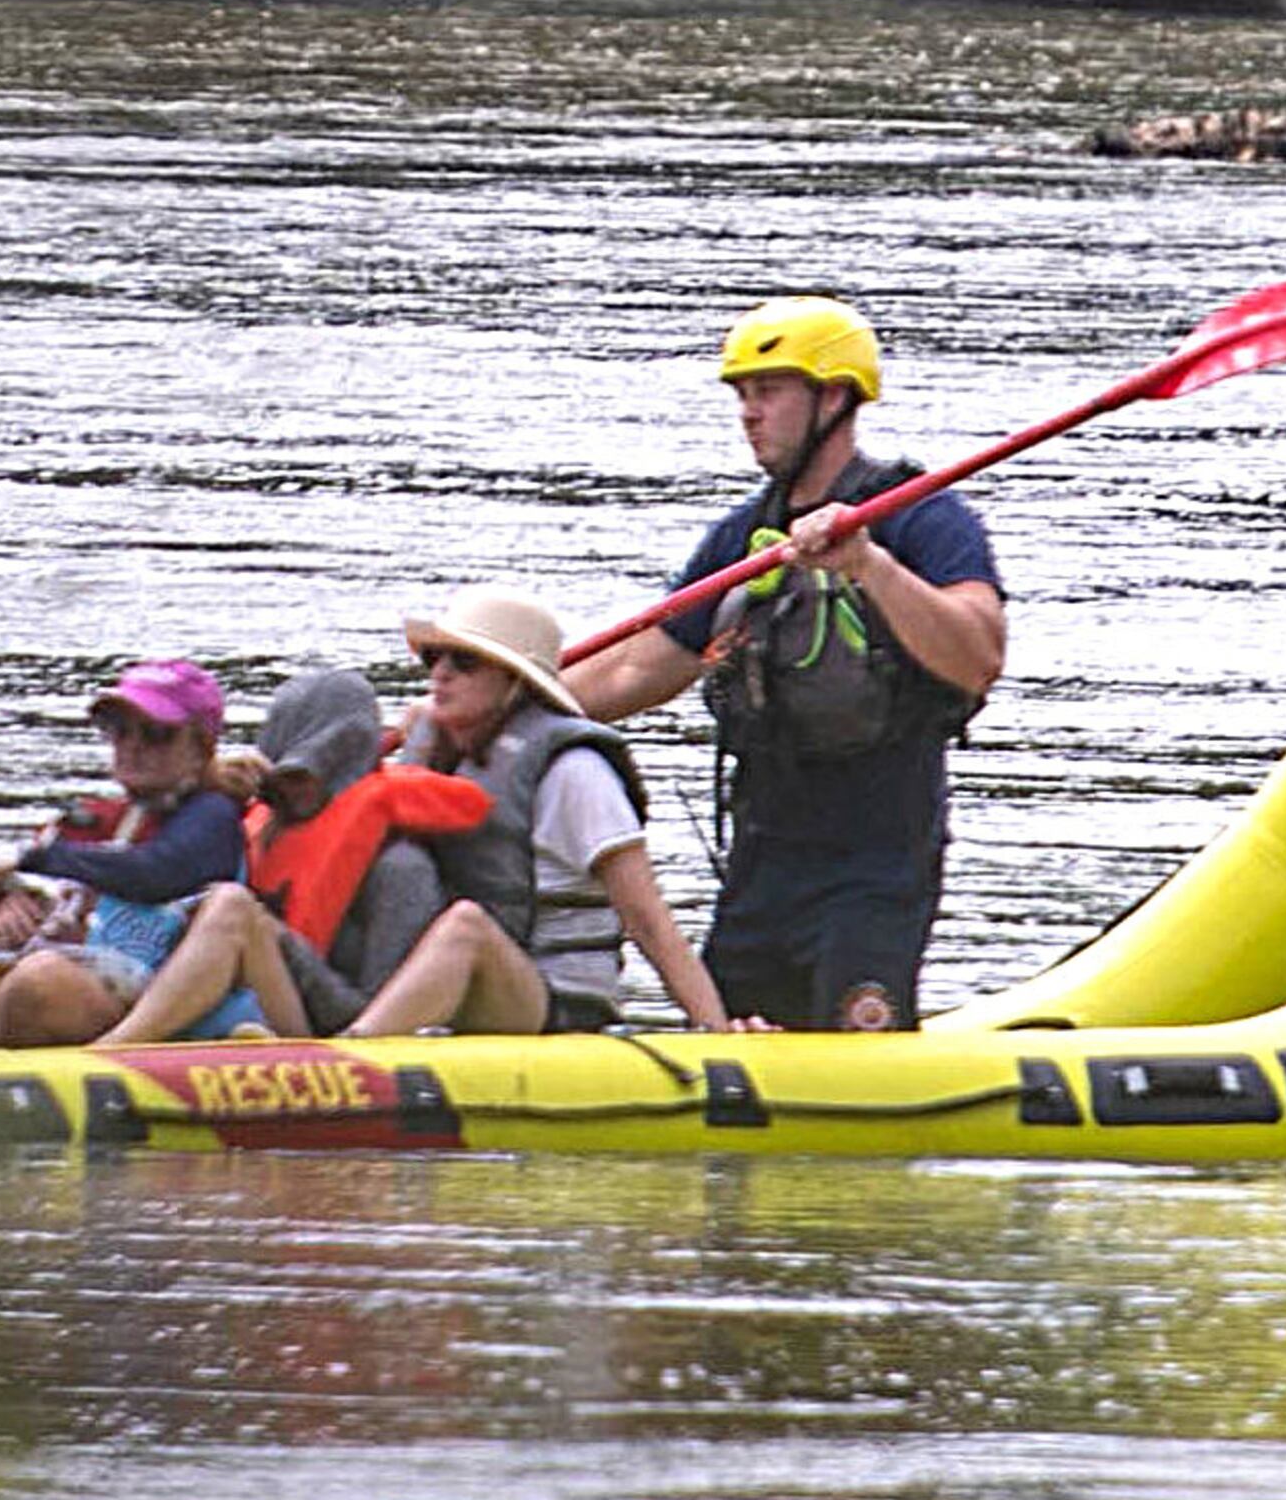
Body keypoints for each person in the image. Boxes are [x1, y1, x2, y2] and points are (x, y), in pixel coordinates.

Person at [566, 295, 1005, 1032]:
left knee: (857, 1039)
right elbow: (630, 671)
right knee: (729, 1047)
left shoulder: (922, 517)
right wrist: (498, 699)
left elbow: (978, 657)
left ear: (834, 398)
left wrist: (869, 564)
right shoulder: (744, 537)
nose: (748, 413)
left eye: (768, 392)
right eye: (741, 394)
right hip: (763, 860)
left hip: (876, 864)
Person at [334, 587, 734, 1037]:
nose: (441, 675)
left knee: (466, 926)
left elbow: (647, 919)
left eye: (464, 663)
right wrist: (421, 748)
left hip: (556, 998)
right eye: (434, 659)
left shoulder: (574, 771)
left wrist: (714, 1029)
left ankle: (351, 1054)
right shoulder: (442, 756)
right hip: (464, 986)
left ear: (514, 681)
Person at [0, 660, 259, 1047]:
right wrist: (1, 912)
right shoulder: (95, 819)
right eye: (119, 729)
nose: (132, 746)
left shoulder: (211, 816)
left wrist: (37, 857)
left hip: (132, 995)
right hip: (38, 975)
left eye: (155, 734)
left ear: (201, 747)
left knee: (39, 983)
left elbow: (154, 874)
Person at [91, 667, 490, 1044]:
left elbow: (377, 1017)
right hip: (233, 1008)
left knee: (232, 908)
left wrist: (274, 938)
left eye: (304, 778)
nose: (291, 795)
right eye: (282, 781)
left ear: (345, 769)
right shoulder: (256, 826)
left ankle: (110, 1053)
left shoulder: (401, 869)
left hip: (318, 1041)